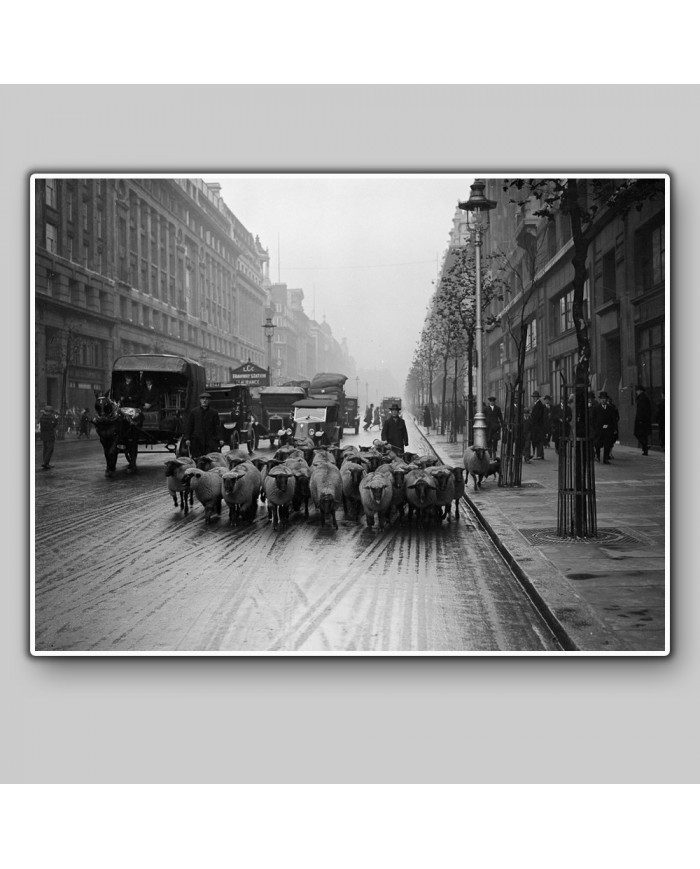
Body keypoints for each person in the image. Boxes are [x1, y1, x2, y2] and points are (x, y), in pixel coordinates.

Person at [184, 392, 224, 459]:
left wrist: (220, 439)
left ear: (209, 401)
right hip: (197, 441)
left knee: (211, 458)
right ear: (200, 400)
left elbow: (217, 427)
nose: (204, 401)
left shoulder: (213, 413)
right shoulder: (194, 412)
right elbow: (189, 426)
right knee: (196, 458)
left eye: (207, 399)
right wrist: (187, 438)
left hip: (209, 440)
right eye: (202, 399)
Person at [591, 391, 619, 464]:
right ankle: (597, 456)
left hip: (608, 429)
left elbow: (613, 419)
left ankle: (605, 458)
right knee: (597, 443)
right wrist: (595, 427)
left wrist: (614, 429)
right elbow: (593, 419)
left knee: (607, 444)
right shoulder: (596, 408)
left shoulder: (610, 408)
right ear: (600, 400)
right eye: (602, 399)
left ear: (607, 399)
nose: (603, 400)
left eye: (604, 398)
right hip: (599, 429)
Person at [634, 384, 653, 455]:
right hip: (645, 419)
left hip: (641, 420)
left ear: (640, 391)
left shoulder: (642, 398)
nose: (636, 392)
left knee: (638, 433)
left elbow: (641, 410)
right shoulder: (644, 398)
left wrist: (640, 419)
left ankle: (645, 445)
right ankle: (645, 449)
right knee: (643, 434)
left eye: (637, 391)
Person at [39, 405, 59, 469]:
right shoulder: (50, 418)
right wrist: (56, 419)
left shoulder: (42, 417)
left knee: (45, 449)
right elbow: (53, 426)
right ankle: (46, 463)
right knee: (49, 449)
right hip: (49, 435)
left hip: (44, 435)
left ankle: (45, 462)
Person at [529, 391, 546, 460]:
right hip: (538, 425)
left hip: (538, 425)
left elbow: (537, 416)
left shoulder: (539, 405)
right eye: (534, 397)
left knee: (539, 440)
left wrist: (531, 419)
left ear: (537, 398)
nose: (534, 398)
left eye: (535, 397)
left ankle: (539, 455)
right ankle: (539, 454)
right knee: (538, 440)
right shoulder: (537, 404)